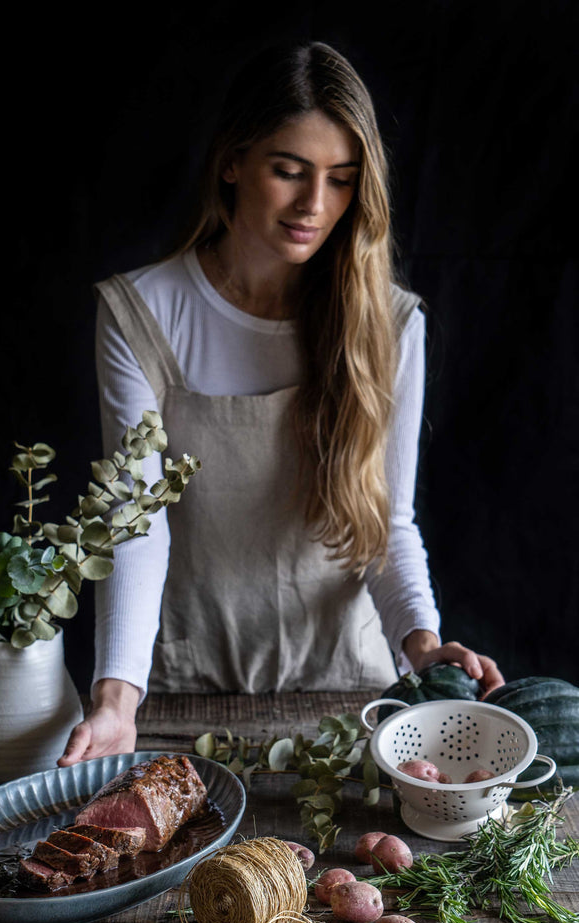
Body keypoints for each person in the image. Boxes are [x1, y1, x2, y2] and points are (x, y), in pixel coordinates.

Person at [58, 40, 504, 766]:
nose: (314, 205)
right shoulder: (144, 312)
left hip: (350, 695)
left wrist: (424, 647)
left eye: (341, 180)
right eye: (289, 171)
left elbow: (386, 524)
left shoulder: (390, 324)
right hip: (180, 694)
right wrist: (115, 698)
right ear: (232, 162)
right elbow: (134, 518)